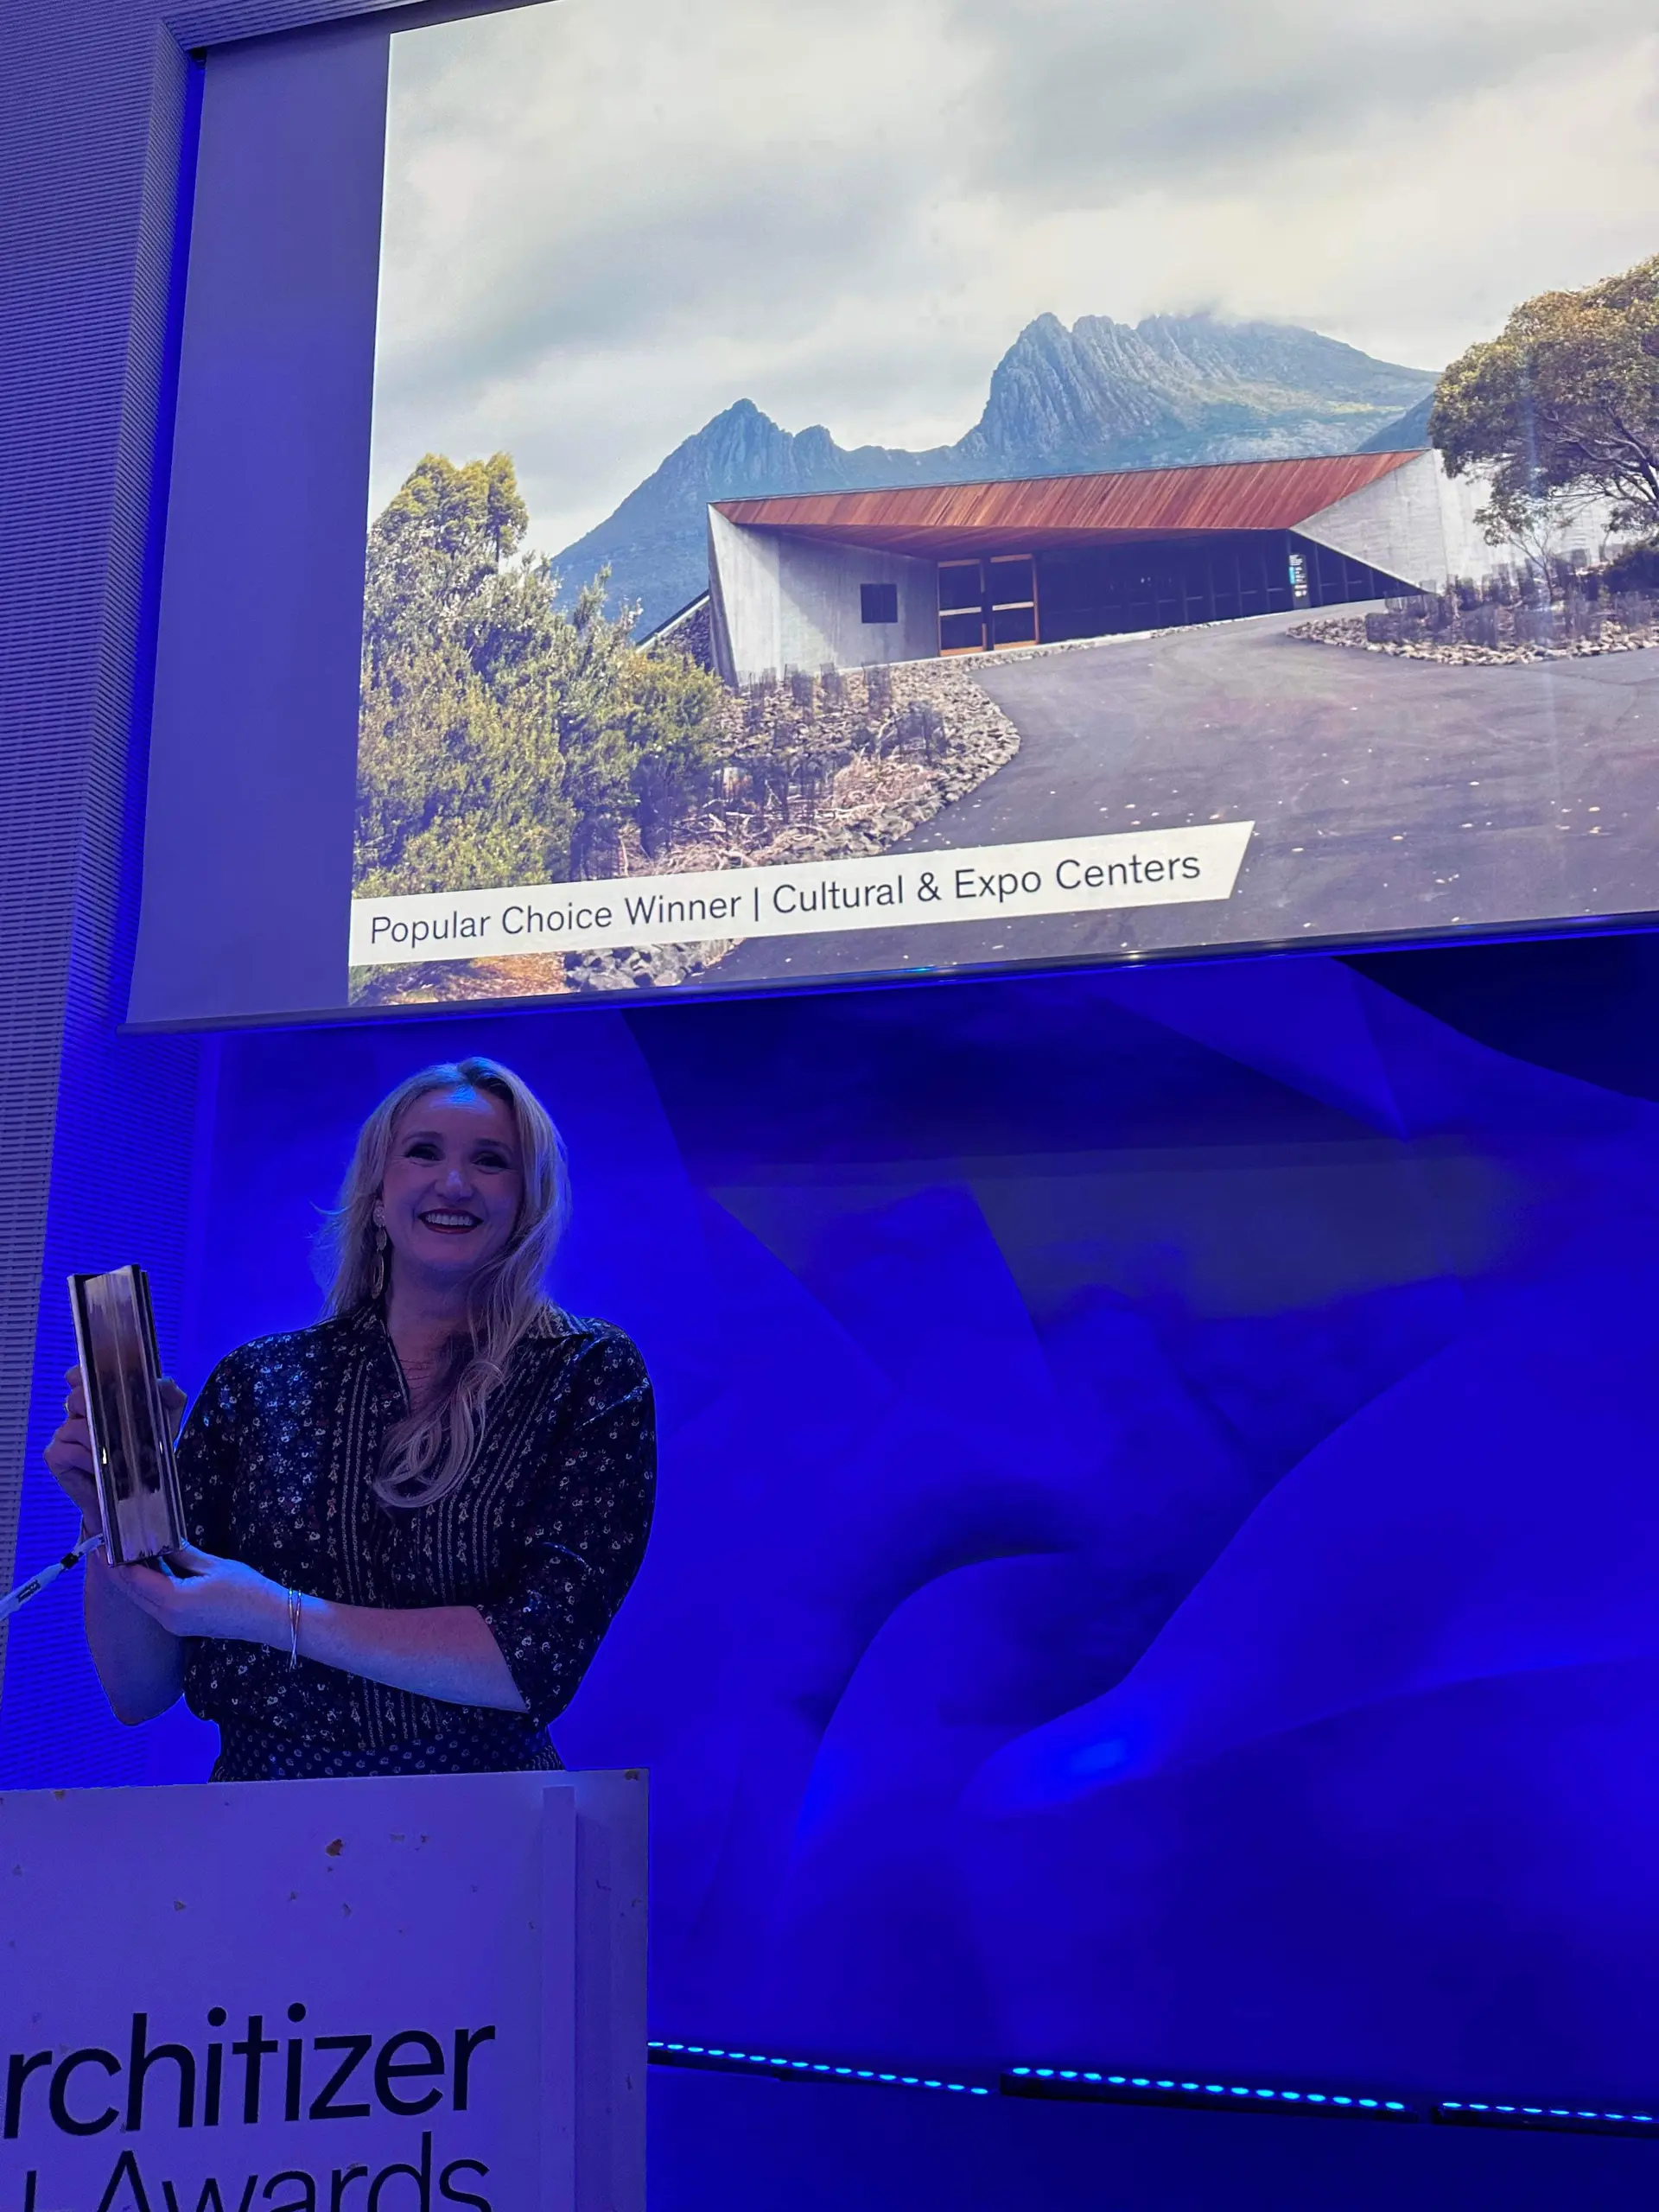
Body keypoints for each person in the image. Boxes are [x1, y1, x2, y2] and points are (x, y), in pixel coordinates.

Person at [44, 1057, 654, 1781]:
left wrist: (273, 1614)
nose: (454, 1183)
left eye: (491, 1161)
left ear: (527, 1203)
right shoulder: (256, 1380)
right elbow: (138, 1692)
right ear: (376, 1195)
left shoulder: (586, 1373)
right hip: (254, 1823)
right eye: (423, 1151)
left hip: (488, 1828)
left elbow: (532, 1660)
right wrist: (106, 1519)